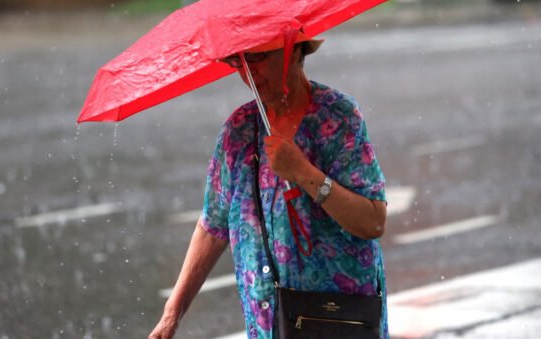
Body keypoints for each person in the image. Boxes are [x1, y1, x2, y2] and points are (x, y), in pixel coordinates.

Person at [149, 35, 388, 339]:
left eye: (258, 57)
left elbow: (373, 221)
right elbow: (213, 226)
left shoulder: (337, 116)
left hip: (337, 321)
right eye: (238, 61)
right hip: (269, 326)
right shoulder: (238, 130)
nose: (249, 72)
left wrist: (303, 172)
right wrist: (173, 314)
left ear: (295, 47)